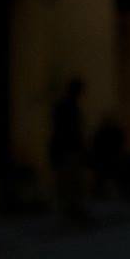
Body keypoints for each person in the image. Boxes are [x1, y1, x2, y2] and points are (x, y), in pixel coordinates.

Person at [49, 78, 89, 222]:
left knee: (71, 183)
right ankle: (70, 212)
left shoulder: (67, 106)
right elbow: (68, 130)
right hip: (66, 149)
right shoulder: (67, 107)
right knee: (69, 183)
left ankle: (71, 212)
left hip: (67, 149)